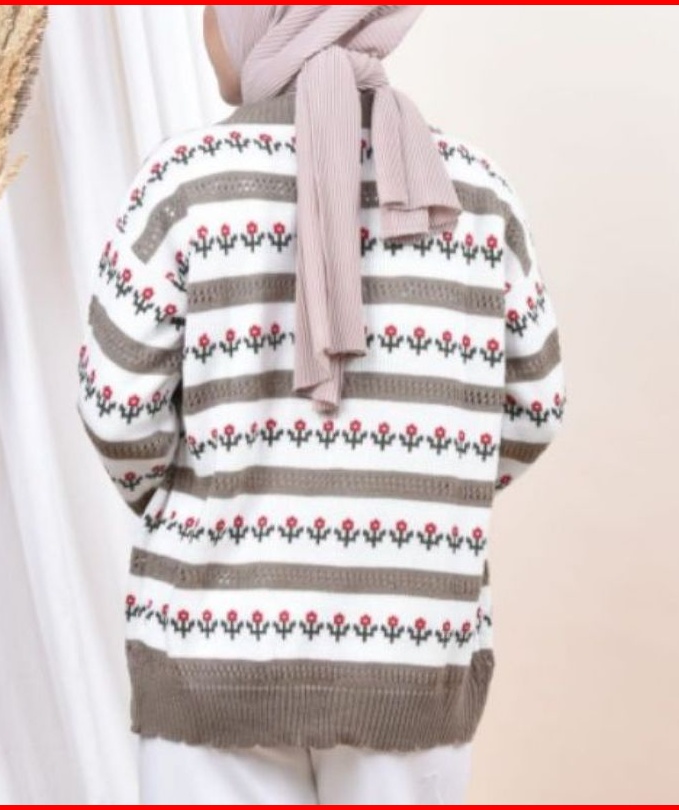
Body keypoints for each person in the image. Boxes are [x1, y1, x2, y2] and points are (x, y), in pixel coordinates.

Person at [75, 5, 568, 804]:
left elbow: (115, 410)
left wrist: (203, 509)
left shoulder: (185, 182)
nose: (204, 28)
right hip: (413, 649)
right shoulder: (479, 192)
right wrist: (425, 495)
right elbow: (536, 406)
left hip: (214, 647)